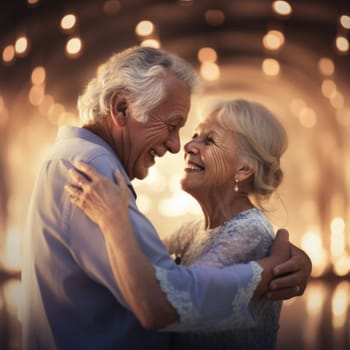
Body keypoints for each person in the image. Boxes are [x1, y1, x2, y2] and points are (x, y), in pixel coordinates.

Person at [21, 46, 311, 350]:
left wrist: (285, 257)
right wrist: (267, 271)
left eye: (207, 139)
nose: (179, 146)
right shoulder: (91, 170)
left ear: (245, 169)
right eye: (174, 126)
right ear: (122, 108)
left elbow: (162, 274)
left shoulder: (80, 163)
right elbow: (164, 299)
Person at [66, 98, 291, 349]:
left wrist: (113, 219)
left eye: (209, 140)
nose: (189, 145)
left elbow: (173, 298)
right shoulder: (193, 231)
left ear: (244, 169)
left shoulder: (250, 233)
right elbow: (144, 261)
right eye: (195, 135)